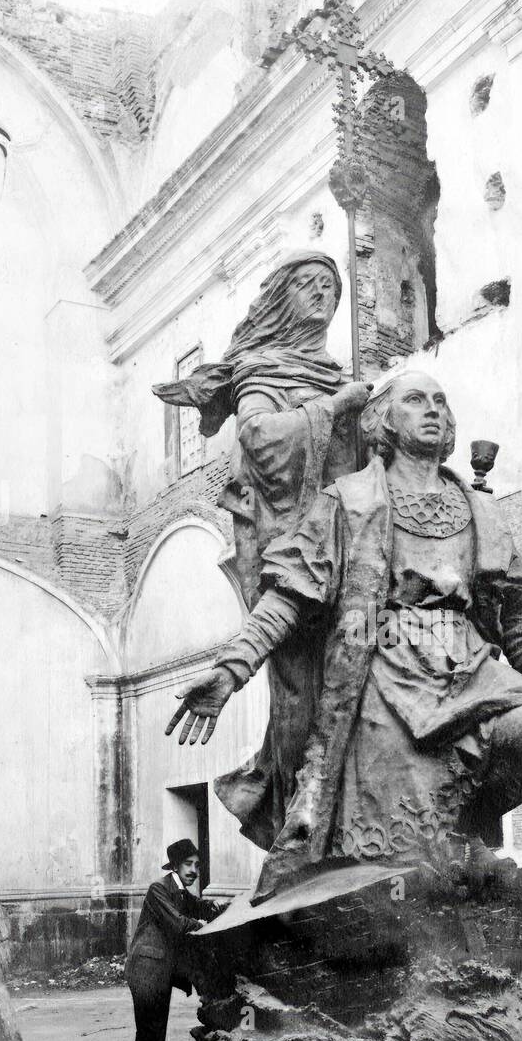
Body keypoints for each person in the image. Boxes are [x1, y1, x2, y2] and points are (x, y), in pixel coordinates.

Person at [166, 371, 522, 896]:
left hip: (473, 670)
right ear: (383, 420)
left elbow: (512, 616)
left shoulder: (480, 510)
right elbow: (288, 596)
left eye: (440, 401)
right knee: (399, 851)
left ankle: (465, 829)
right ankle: (410, 895)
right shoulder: (350, 499)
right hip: (383, 672)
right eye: (414, 400)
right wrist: (231, 671)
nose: (432, 410)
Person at [153, 252, 372, 855]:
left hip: (349, 547)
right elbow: (262, 442)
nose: (324, 297)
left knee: (354, 686)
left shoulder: (337, 374)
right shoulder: (260, 370)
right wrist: (336, 408)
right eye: (309, 285)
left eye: (332, 288)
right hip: (285, 550)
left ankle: (346, 827)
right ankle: (288, 828)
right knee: (301, 693)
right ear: (281, 297)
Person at [124, 839, 216, 1041]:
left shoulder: (178, 891)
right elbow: (178, 924)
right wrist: (201, 925)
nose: (194, 871)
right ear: (175, 866)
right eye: (188, 865)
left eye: (197, 866)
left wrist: (224, 908)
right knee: (153, 1037)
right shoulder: (159, 889)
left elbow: (200, 906)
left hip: (153, 970)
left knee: (146, 1036)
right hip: (147, 970)